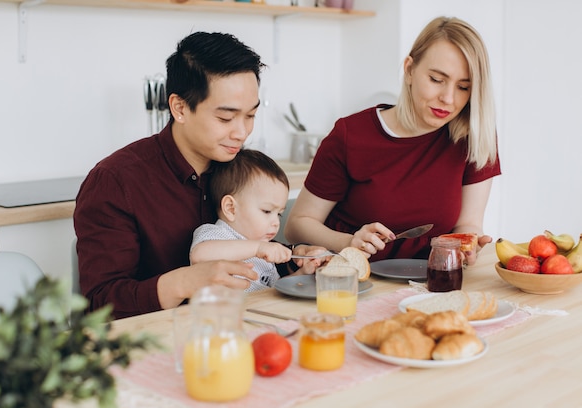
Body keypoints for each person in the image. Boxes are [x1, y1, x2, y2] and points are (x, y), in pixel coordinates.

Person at [74, 32, 318, 319]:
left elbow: (245, 242)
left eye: (250, 116)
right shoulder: (115, 181)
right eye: (225, 118)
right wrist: (185, 282)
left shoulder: (240, 166)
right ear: (179, 108)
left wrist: (295, 258)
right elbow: (100, 304)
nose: (241, 133)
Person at [284, 16, 501, 266]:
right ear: (409, 70)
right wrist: (349, 242)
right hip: (352, 278)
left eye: (463, 87)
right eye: (436, 80)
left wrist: (467, 245)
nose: (448, 98)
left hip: (431, 279)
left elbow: (467, 224)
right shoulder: (350, 135)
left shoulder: (473, 137)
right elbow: (297, 225)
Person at [190, 149, 322, 292]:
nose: (276, 223)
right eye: (267, 211)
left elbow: (272, 291)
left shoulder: (265, 255)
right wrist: (258, 248)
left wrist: (301, 274)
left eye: (279, 214)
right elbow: (199, 255)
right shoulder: (214, 233)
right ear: (231, 208)